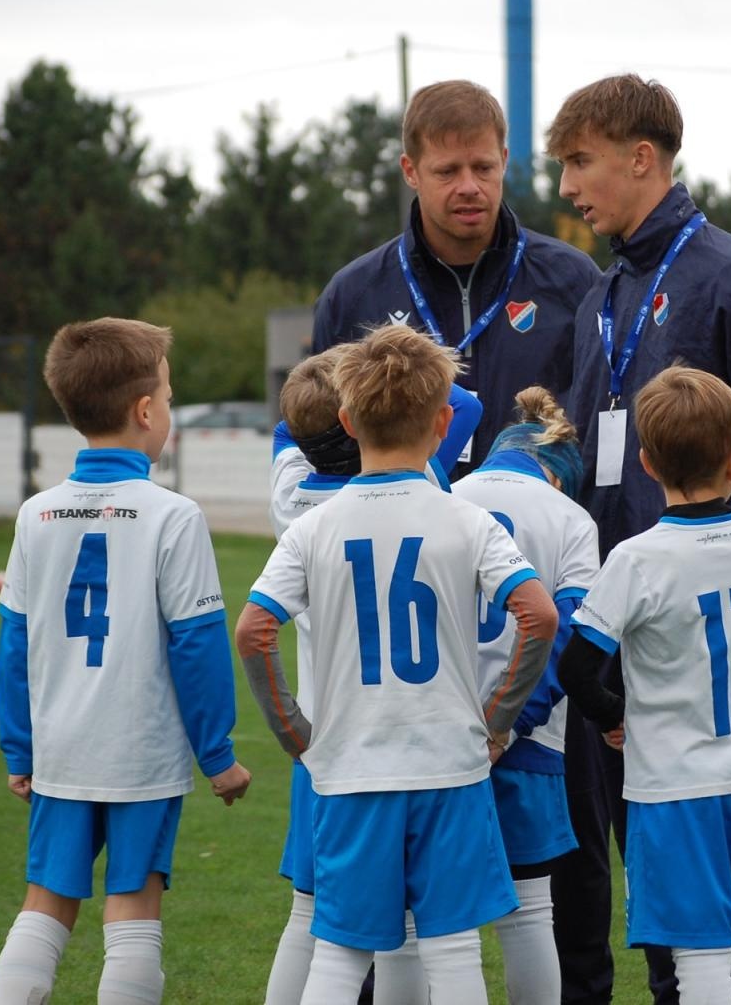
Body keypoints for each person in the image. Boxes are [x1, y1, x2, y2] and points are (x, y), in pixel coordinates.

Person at [546, 72, 731, 1003]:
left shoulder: (728, 275)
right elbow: (594, 447)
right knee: (603, 879)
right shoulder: (603, 292)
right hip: (613, 624)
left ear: (644, 158)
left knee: (708, 917)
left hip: (695, 655)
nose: (566, 187)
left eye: (580, 162)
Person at [235, 324, 558, 1004]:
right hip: (450, 764)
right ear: (444, 424)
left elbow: (255, 631)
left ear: (347, 420)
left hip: (351, 768)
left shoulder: (312, 526)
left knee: (340, 949)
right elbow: (539, 615)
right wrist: (498, 719)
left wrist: (295, 732)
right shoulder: (466, 519)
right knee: (453, 950)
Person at [0, 319, 251, 1005]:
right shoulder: (173, 515)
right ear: (143, 412)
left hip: (62, 750)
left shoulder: (34, 514)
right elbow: (198, 643)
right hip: (140, 750)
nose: (167, 409)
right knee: (133, 907)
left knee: (44, 904)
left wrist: (20, 748)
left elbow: (14, 642)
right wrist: (218, 755)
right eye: (167, 396)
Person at [559, 366, 731, 1005]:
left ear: (646, 463)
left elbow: (576, 667)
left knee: (700, 964)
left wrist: (614, 715)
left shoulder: (637, 557)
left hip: (676, 789)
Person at [261, 348, 481, 1004]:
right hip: (420, 732)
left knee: (315, 914)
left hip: (328, 731)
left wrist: (332, 380)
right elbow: (462, 404)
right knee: (427, 930)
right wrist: (380, 362)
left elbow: (289, 427)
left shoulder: (292, 494)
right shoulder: (425, 481)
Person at [311, 79, 600, 477]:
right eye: (447, 171)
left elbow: (597, 422)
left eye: (483, 168)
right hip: (407, 536)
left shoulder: (573, 280)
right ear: (410, 171)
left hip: (536, 537)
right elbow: (323, 440)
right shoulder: (353, 296)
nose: (469, 187)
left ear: (503, 159)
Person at [450, 386, 598, 1005]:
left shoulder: (445, 496)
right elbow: (570, 635)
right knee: (531, 910)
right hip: (527, 736)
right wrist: (511, 721)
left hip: (441, 732)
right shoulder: (570, 517)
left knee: (431, 917)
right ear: (560, 477)